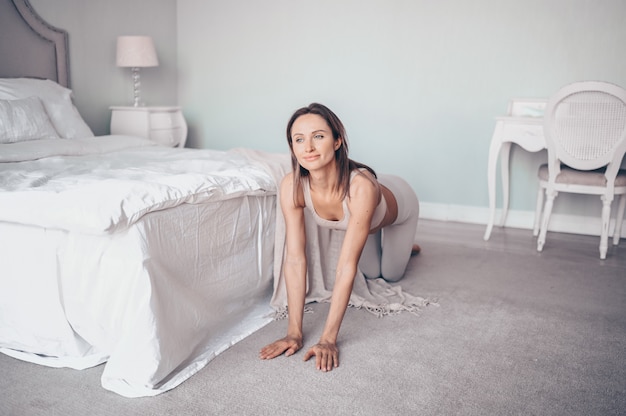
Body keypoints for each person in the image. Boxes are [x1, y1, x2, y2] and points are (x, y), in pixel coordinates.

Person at [259, 103, 420, 372]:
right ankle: (388, 243)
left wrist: (328, 339)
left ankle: (408, 246)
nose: (308, 147)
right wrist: (294, 333)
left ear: (337, 141)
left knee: (390, 275)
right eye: (299, 139)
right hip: (361, 223)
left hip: (399, 203)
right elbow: (296, 260)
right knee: (369, 271)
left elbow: (346, 267)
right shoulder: (291, 186)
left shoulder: (361, 187)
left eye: (318, 136)